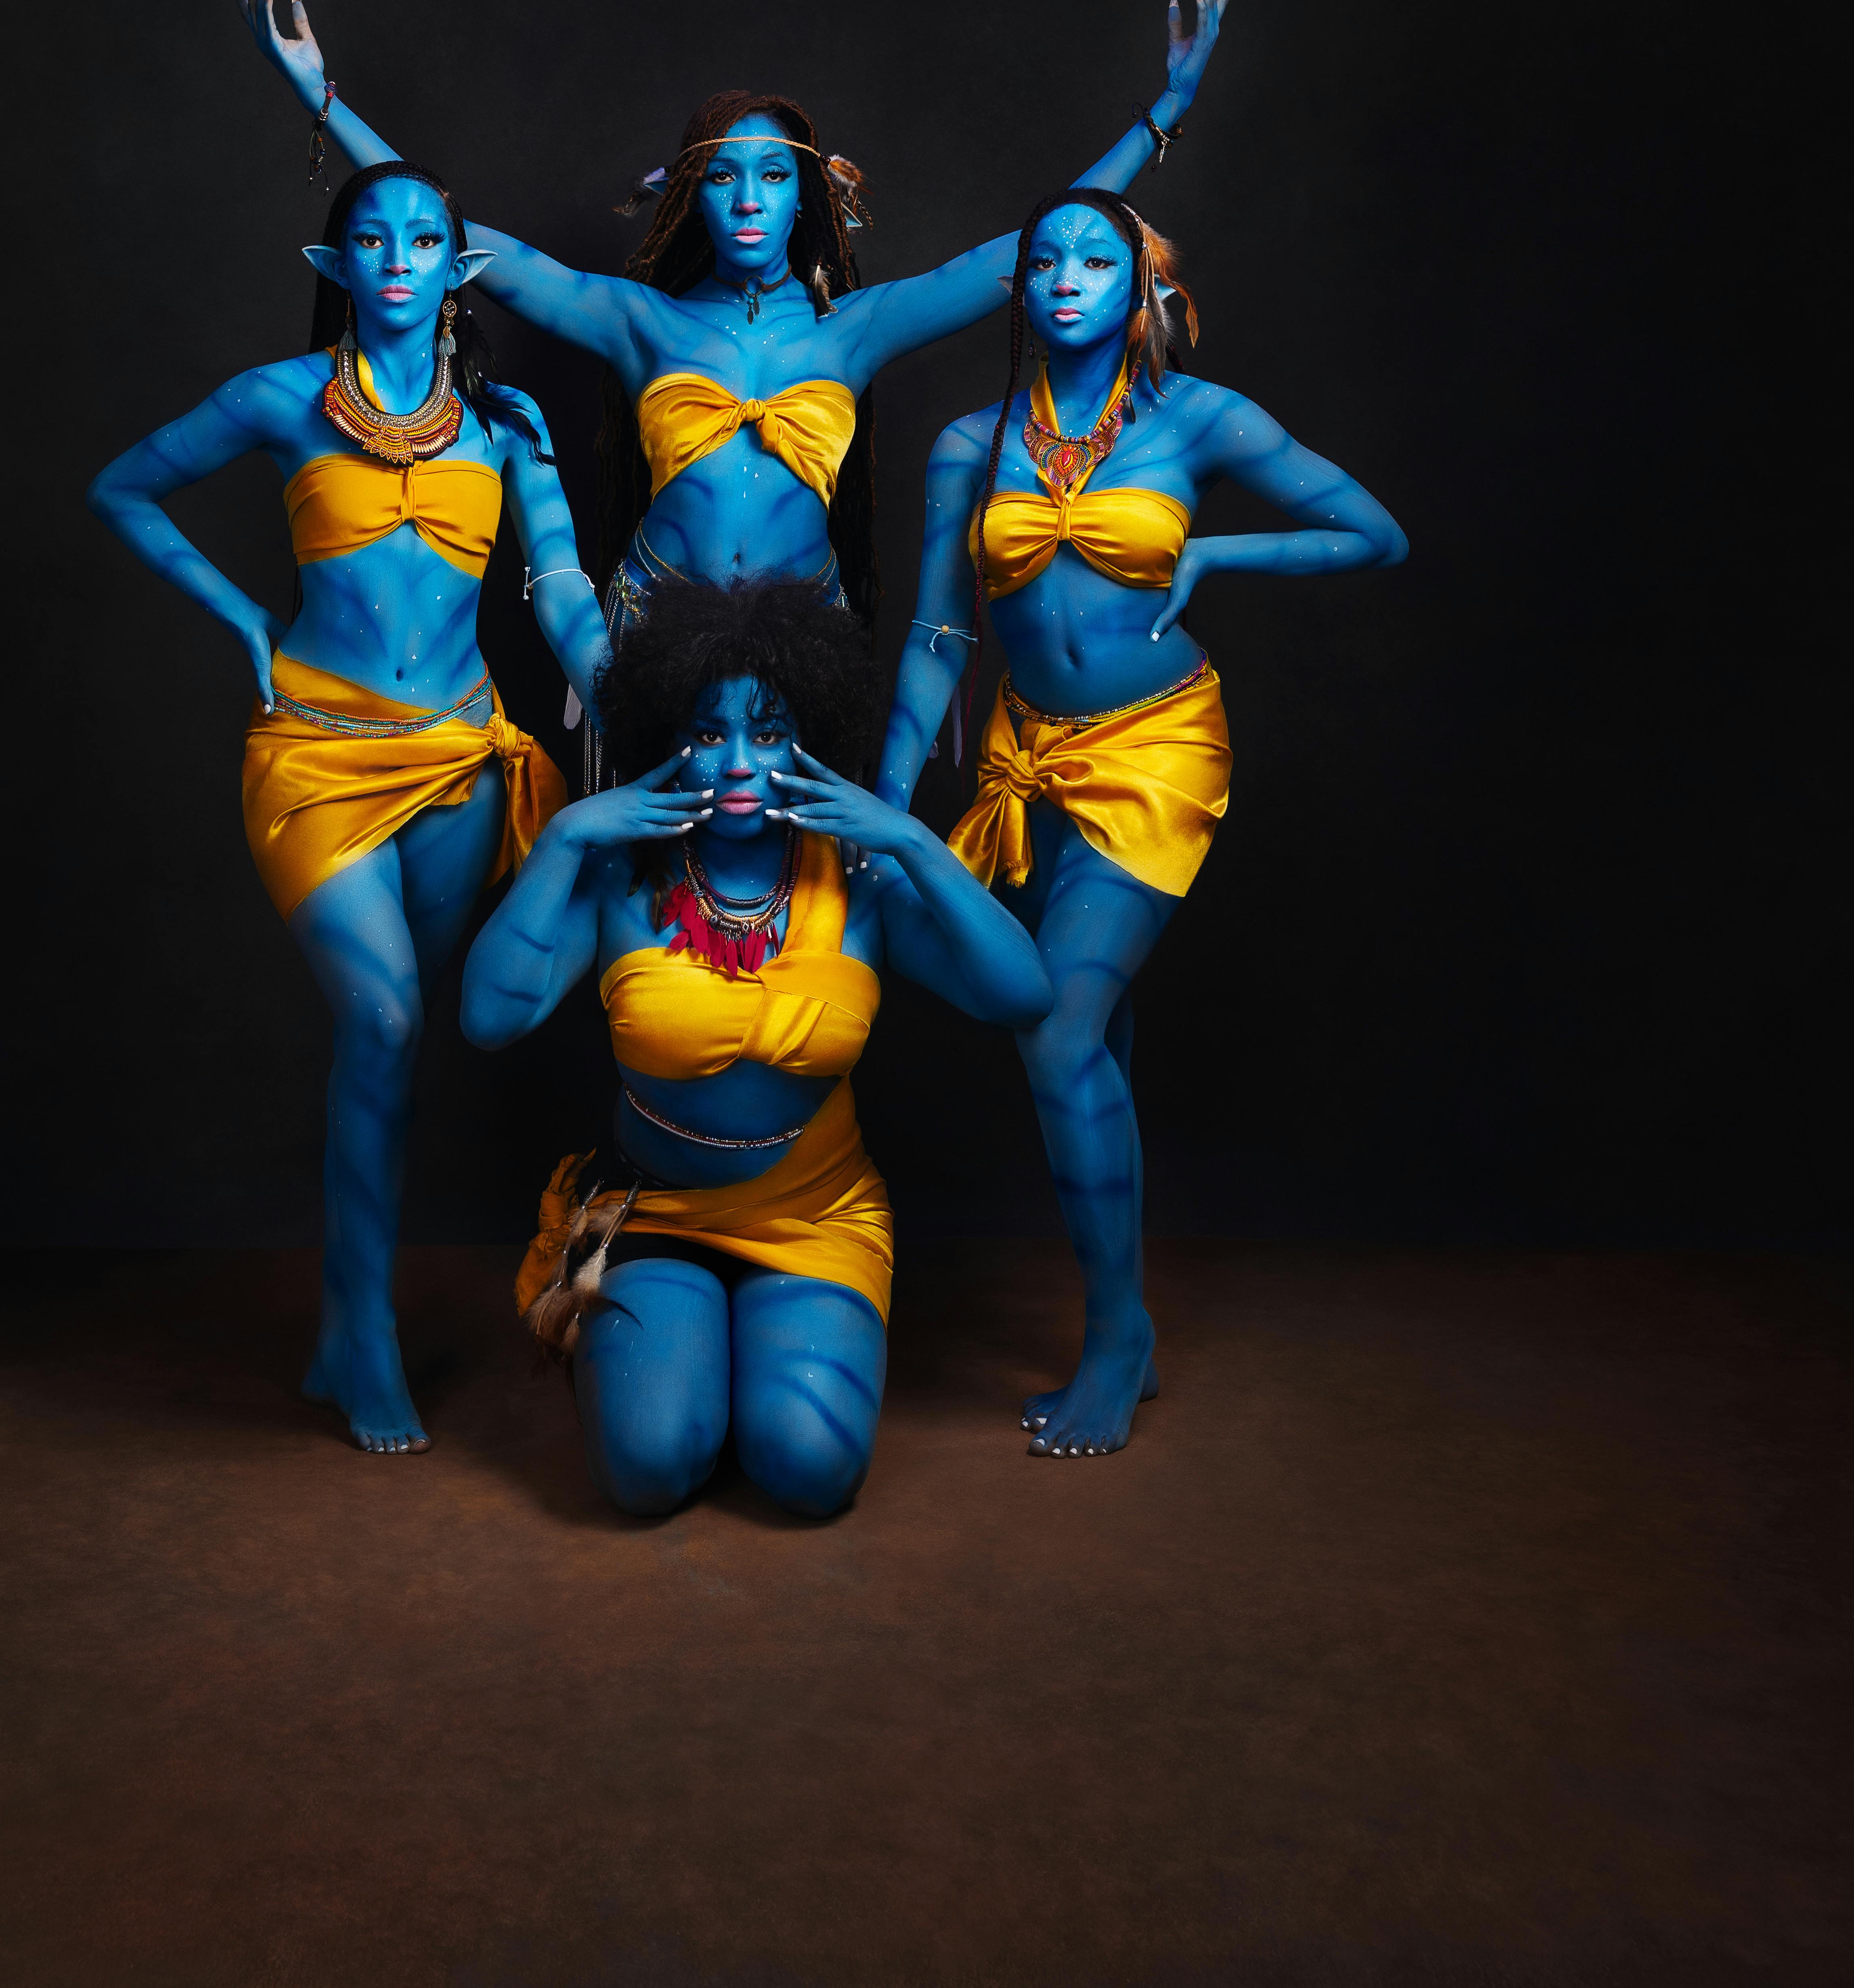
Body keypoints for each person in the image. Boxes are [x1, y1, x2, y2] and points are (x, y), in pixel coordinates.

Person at [227, 0, 1237, 632]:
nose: (748, 198)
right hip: (652, 628)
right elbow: (439, 232)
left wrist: (1163, 114)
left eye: (772, 175)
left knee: (791, 888)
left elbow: (1032, 243)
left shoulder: (854, 330)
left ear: (807, 196)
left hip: (805, 641)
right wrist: (320, 99)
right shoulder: (638, 321)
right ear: (689, 198)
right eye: (722, 176)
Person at [87, 159, 610, 1455]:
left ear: (456, 269)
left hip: (459, 762)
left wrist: (613, 682)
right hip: (318, 756)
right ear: (336, 267)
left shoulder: (508, 423)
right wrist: (239, 615)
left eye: (424, 240)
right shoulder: (279, 399)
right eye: (372, 240)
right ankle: (368, 1333)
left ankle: (339, 1323)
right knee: (381, 1016)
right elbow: (122, 486)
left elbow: (556, 579)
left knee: (394, 1047)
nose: (397, 259)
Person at [875, 189, 1407, 1458]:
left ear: (1141, 289)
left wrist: (1221, 557)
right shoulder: (969, 442)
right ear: (1021, 289)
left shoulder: (1199, 419)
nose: (1067, 277)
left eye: (1096, 260)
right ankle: (1133, 1328)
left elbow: (1373, 533)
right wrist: (888, 802)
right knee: (1091, 1031)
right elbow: (941, 632)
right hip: (1027, 756)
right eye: (1046, 260)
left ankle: (1117, 1335)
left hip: (1157, 751)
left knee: (1058, 1027)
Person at [460, 579, 1052, 1519]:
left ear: (808, 735)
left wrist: (911, 841)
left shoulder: (858, 877)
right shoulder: (620, 876)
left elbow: (1024, 992)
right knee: (647, 1470)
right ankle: (667, 1347)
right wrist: (565, 837)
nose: (737, 761)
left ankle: (734, 1355)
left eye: (768, 731)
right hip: (657, 1211)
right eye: (707, 732)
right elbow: (489, 1017)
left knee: (809, 1468)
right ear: (668, 736)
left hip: (817, 1215)